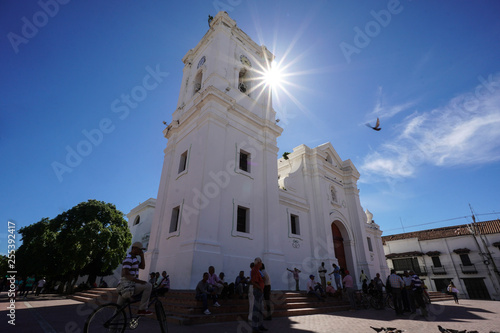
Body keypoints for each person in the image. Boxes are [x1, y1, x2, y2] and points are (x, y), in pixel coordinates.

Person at [116, 242, 153, 316]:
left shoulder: (134, 259)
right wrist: (139, 281)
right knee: (148, 285)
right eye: (140, 250)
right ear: (134, 249)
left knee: (118, 309)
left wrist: (142, 256)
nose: (141, 251)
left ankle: (112, 327)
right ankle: (142, 309)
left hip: (127, 286)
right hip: (127, 285)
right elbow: (125, 274)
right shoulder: (129, 258)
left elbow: (142, 267)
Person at [251, 257, 267, 332]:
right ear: (258, 263)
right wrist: (260, 288)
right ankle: (254, 327)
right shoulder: (254, 270)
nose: (261, 264)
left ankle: (260, 325)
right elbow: (253, 282)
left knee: (260, 309)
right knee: (256, 309)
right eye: (261, 263)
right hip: (257, 291)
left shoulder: (258, 270)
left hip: (260, 290)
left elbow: (263, 279)